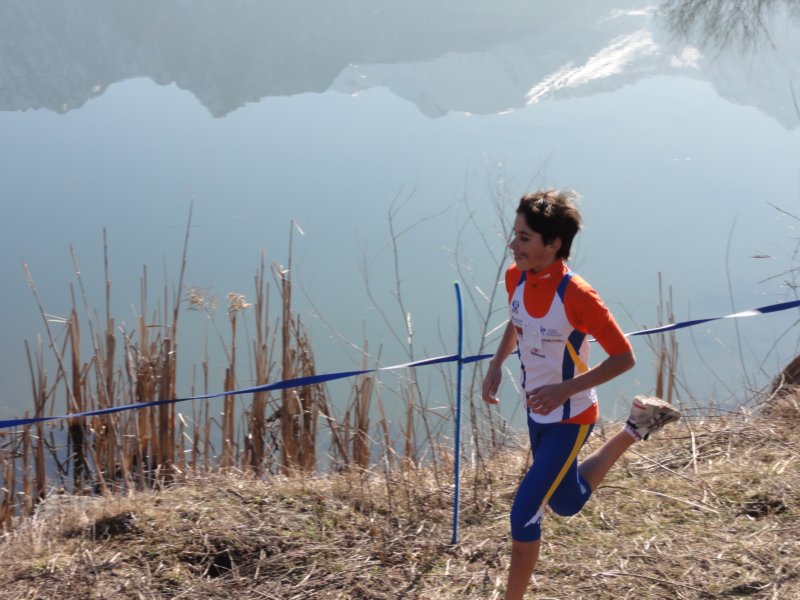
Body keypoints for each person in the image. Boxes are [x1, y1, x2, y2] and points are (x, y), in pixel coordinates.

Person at [481, 189, 681, 600]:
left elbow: (624, 358)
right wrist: (496, 364)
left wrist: (565, 389)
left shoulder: (578, 295)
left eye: (524, 238)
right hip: (538, 412)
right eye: (515, 234)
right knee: (566, 502)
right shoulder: (516, 277)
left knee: (524, 514)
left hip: (571, 418)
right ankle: (636, 426)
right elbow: (518, 321)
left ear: (553, 244)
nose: (512, 245)